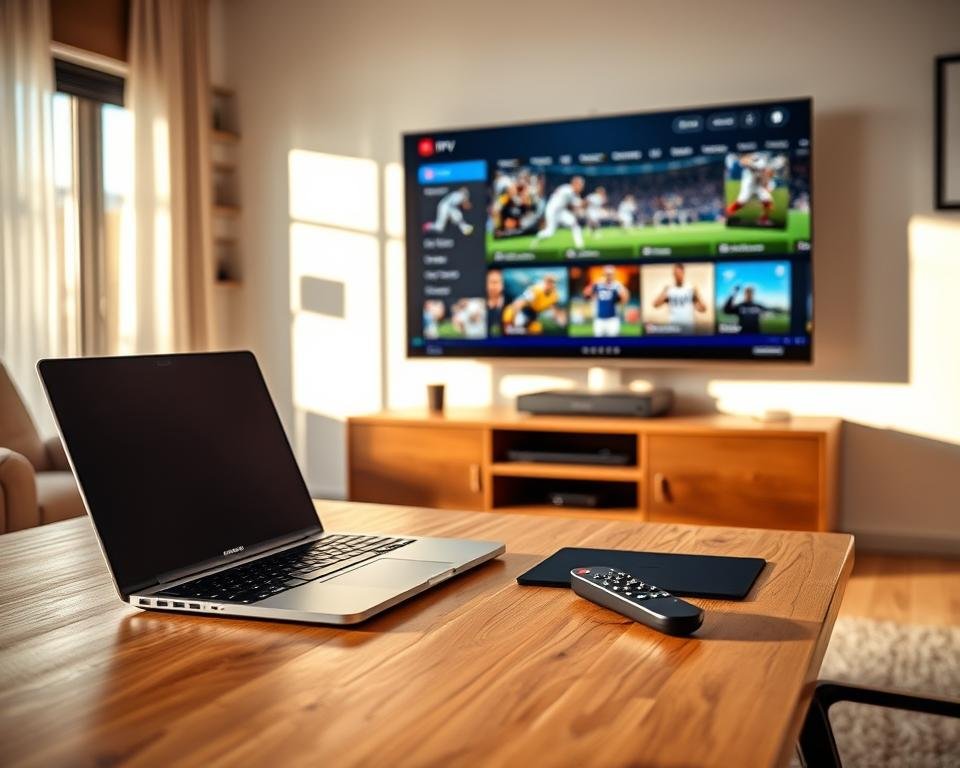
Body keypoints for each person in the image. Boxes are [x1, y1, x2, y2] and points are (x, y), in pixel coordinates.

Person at [651, 263, 707, 333]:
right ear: (673, 274)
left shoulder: (690, 289)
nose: (677, 276)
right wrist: (664, 292)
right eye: (675, 274)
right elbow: (655, 305)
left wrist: (697, 295)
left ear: (683, 273)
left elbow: (703, 309)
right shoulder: (670, 290)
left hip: (688, 328)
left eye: (679, 273)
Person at [535, 176, 585, 248]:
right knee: (549, 232)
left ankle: (580, 246)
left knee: (574, 224)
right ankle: (537, 239)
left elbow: (576, 204)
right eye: (580, 185)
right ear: (575, 183)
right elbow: (576, 204)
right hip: (552, 211)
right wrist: (585, 203)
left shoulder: (570, 191)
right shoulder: (567, 190)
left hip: (561, 211)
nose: (581, 187)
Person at [583, 265, 629, 337]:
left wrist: (621, 288)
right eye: (607, 274)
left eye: (610, 274)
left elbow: (625, 299)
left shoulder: (616, 285)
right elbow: (586, 293)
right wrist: (594, 283)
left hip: (612, 319)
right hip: (599, 319)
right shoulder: (598, 284)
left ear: (613, 275)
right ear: (603, 274)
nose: (608, 276)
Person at [485, 269, 505, 337]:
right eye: (489, 282)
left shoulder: (510, 303)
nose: (492, 286)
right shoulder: (479, 305)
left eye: (496, 282)